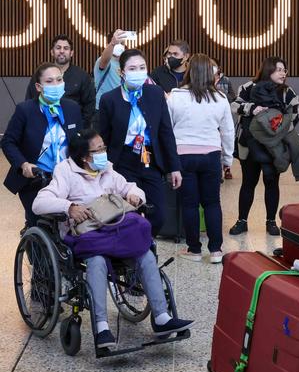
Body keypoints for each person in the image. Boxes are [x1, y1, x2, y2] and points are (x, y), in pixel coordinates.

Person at [31, 130, 194, 349]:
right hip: (88, 235)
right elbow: (39, 203)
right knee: (97, 261)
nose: (103, 153)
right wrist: (69, 207)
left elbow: (129, 186)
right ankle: (101, 327)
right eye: (98, 150)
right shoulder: (65, 172)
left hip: (114, 230)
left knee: (144, 253)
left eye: (104, 148)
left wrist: (135, 195)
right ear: (84, 157)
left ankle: (162, 317)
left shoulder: (107, 169)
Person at [97, 49, 182, 236]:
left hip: (150, 158)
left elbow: (166, 132)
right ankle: (135, 254)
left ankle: (145, 243)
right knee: (129, 213)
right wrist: (102, 167)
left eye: (142, 67)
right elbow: (102, 138)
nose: (138, 72)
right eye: (132, 68)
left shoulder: (155, 93)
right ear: (122, 72)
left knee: (159, 214)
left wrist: (174, 167)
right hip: (123, 161)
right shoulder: (109, 99)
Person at [167, 54, 235, 264]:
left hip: (183, 156)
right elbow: (228, 132)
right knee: (212, 203)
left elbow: (167, 130)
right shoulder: (220, 98)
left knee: (190, 204)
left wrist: (169, 162)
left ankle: (194, 250)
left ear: (189, 71)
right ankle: (215, 250)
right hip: (211, 156)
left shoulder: (175, 96)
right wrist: (227, 159)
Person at [2, 63, 83, 228]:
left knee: (72, 224)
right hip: (36, 179)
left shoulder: (72, 108)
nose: (56, 85)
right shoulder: (25, 110)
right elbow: (8, 141)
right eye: (50, 81)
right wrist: (23, 164)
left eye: (59, 80)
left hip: (67, 178)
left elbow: (79, 142)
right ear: (39, 87)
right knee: (39, 225)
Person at [229, 57, 299, 236]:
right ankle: (242, 221)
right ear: (268, 70)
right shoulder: (248, 87)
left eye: (284, 70)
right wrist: (252, 108)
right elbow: (234, 105)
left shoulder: (287, 92)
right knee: (248, 182)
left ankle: (271, 222)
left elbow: (295, 115)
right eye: (279, 69)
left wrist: (278, 125)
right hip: (250, 144)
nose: (283, 73)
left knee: (271, 182)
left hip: (274, 146)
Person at [25, 34, 96, 128]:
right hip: (43, 126)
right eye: (58, 48)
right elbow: (30, 100)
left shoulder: (82, 76)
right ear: (52, 52)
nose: (62, 51)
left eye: (66, 48)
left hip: (72, 128)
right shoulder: (40, 74)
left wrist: (79, 128)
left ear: (71, 53)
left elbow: (89, 106)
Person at [94, 29, 129, 109]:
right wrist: (113, 43)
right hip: (104, 108)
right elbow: (104, 59)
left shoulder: (126, 64)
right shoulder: (103, 61)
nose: (119, 45)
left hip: (122, 107)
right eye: (117, 43)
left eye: (122, 43)